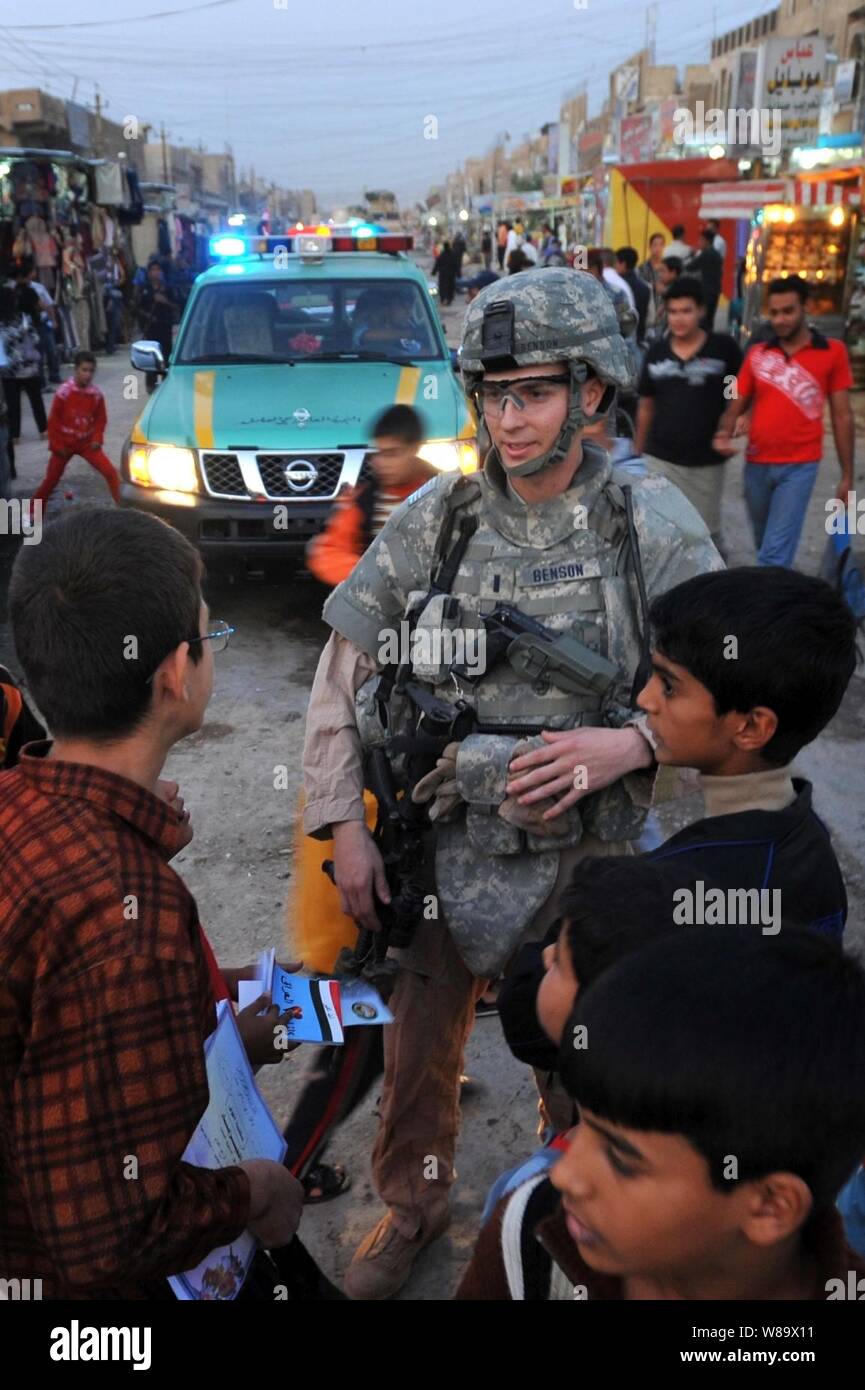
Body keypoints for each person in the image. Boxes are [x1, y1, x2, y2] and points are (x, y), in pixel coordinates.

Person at [301, 266, 722, 1299]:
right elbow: (338, 676)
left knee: (585, 1060)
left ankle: (569, 1212)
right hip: (446, 847)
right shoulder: (438, 518)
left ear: (590, 390)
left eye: (532, 390)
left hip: (595, 860)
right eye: (492, 393)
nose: (508, 416)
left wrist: (628, 745)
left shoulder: (646, 517)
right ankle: (411, 1208)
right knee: (415, 1050)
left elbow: (725, 682)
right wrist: (338, 829)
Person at [0, 509, 307, 1298]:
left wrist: (208, 1019)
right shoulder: (126, 912)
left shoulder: (17, 805)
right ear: (177, 672)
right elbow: (115, 1237)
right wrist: (257, 1191)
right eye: (213, 632)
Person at [497, 563, 856, 1103]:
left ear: (752, 726)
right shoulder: (810, 850)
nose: (645, 700)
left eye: (670, 685)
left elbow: (530, 1019)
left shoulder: (663, 893)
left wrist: (550, 953)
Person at [458, 925, 865, 1300]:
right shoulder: (531, 1230)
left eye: (619, 1158)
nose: (563, 1174)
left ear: (769, 1206)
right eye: (587, 1129)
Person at [714, 276, 854, 568]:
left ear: (806, 307)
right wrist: (724, 431)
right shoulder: (758, 354)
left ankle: (768, 609)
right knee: (766, 544)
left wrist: (847, 474)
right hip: (756, 466)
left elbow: (842, 416)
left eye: (788, 311)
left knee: (773, 556)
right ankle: (781, 595)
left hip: (800, 467)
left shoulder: (833, 352)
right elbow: (737, 399)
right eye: (774, 312)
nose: (780, 319)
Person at [636, 276, 742, 551]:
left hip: (705, 462)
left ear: (701, 311)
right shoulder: (656, 353)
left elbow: (734, 389)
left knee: (703, 534)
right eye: (672, 312)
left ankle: (712, 585)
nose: (679, 319)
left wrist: (729, 421)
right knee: (661, 530)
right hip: (660, 458)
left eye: (686, 311)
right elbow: (647, 404)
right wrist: (638, 451)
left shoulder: (723, 349)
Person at [307, 405, 435, 587]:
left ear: (414, 449)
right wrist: (375, 576)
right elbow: (329, 550)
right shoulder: (361, 500)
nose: (381, 463)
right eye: (378, 453)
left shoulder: (444, 494)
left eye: (392, 454)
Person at [32, 350, 121, 507]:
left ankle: (123, 509)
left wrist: (97, 438)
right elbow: (53, 421)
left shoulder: (96, 394)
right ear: (76, 369)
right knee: (51, 480)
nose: (87, 375)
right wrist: (57, 446)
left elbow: (101, 419)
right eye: (84, 370)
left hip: (86, 443)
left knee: (111, 473)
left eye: (91, 371)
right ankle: (32, 514)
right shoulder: (64, 392)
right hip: (64, 445)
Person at [0, 285, 47, 443]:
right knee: (36, 400)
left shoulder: (2, 324)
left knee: (13, 404)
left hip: (9, 370)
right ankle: (43, 430)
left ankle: (15, 435)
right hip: (28, 366)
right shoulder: (23, 318)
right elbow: (35, 338)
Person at [16, 258, 61, 388]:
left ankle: (54, 374)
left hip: (43, 322)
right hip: (29, 326)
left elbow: (48, 305)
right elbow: (43, 305)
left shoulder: (38, 288)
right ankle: (40, 381)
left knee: (51, 350)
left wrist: (53, 320)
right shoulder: (19, 290)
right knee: (38, 354)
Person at [135, 259, 179, 388]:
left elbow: (176, 306)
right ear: (148, 273)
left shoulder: (168, 288)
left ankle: (166, 383)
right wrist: (147, 316)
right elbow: (136, 308)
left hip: (165, 327)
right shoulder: (144, 289)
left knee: (165, 355)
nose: (156, 273)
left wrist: (164, 301)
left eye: (158, 270)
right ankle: (151, 383)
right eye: (153, 270)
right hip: (150, 329)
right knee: (150, 357)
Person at [686, 228, 723, 331]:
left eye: (701, 240)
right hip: (715, 290)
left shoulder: (706, 254)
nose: (699, 243)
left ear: (706, 241)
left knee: (703, 319)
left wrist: (692, 255)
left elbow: (691, 267)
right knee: (710, 319)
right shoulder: (717, 254)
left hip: (706, 290)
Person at [614, 247, 650, 344]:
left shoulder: (616, 286)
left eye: (616, 262)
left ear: (623, 264)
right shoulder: (644, 287)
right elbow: (644, 317)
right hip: (637, 337)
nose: (614, 266)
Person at [647, 256, 682, 340]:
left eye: (663, 271)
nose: (660, 275)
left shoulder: (678, 292)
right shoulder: (670, 288)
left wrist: (666, 292)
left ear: (673, 273)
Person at [432, 240, 458, 306]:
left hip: (443, 274)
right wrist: (458, 273)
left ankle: (443, 299)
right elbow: (456, 264)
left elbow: (437, 264)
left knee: (442, 287)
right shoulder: (453, 254)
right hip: (451, 274)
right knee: (450, 287)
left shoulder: (442, 255)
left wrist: (434, 272)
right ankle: (449, 299)